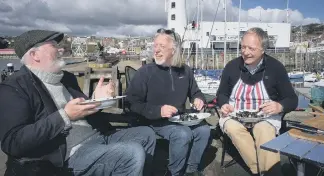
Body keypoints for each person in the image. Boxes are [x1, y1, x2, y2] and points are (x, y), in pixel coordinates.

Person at [0, 30, 156, 176]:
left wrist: (97, 101)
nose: (60, 49)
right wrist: (64, 116)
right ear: (35, 55)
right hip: (70, 155)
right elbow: (13, 142)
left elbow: (82, 111)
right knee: (131, 153)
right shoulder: (15, 87)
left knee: (146, 134)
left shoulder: (66, 78)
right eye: (54, 45)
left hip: (98, 135)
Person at [126, 28, 211, 176]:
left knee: (204, 130)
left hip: (179, 118)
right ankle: (174, 172)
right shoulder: (145, 72)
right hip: (153, 120)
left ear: (174, 50)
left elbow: (196, 92)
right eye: (155, 45)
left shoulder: (185, 71)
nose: (156, 50)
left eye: (162, 46)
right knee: (182, 134)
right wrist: (158, 111)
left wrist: (199, 99)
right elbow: (132, 103)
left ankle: (191, 169)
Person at [217, 27, 298, 176]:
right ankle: (261, 171)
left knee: (264, 130)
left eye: (251, 48)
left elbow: (292, 99)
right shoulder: (232, 67)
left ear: (263, 49)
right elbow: (221, 93)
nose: (245, 52)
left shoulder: (276, 68)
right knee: (233, 128)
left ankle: (269, 173)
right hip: (235, 114)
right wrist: (224, 104)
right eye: (243, 47)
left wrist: (279, 106)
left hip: (265, 117)